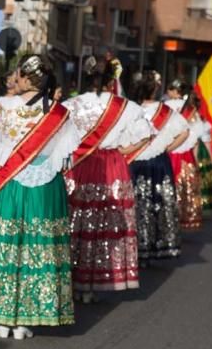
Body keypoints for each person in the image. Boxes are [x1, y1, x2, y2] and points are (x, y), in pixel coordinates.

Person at [0, 56, 81, 340]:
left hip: (7, 184)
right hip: (44, 186)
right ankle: (28, 317)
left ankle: (0, 315)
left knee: (5, 243)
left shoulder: (3, 107)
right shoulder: (59, 113)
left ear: (25, 78)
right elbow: (65, 161)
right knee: (37, 247)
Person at [63, 69, 151, 303]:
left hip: (79, 164)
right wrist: (121, 152)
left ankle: (73, 278)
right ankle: (96, 280)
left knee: (78, 220)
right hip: (111, 165)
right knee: (105, 220)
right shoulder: (126, 107)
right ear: (112, 82)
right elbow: (145, 135)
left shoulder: (72, 104)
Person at [127, 71, 190, 264]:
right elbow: (185, 132)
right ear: (155, 89)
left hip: (135, 161)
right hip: (159, 162)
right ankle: (157, 245)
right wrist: (166, 147)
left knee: (137, 204)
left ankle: (137, 247)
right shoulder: (166, 111)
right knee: (158, 203)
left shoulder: (131, 110)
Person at [164, 80, 205, 231]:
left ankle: (167, 218)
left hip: (168, 152)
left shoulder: (167, 106)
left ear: (176, 91)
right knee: (185, 188)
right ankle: (182, 218)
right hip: (185, 155)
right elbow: (196, 137)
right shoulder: (190, 108)